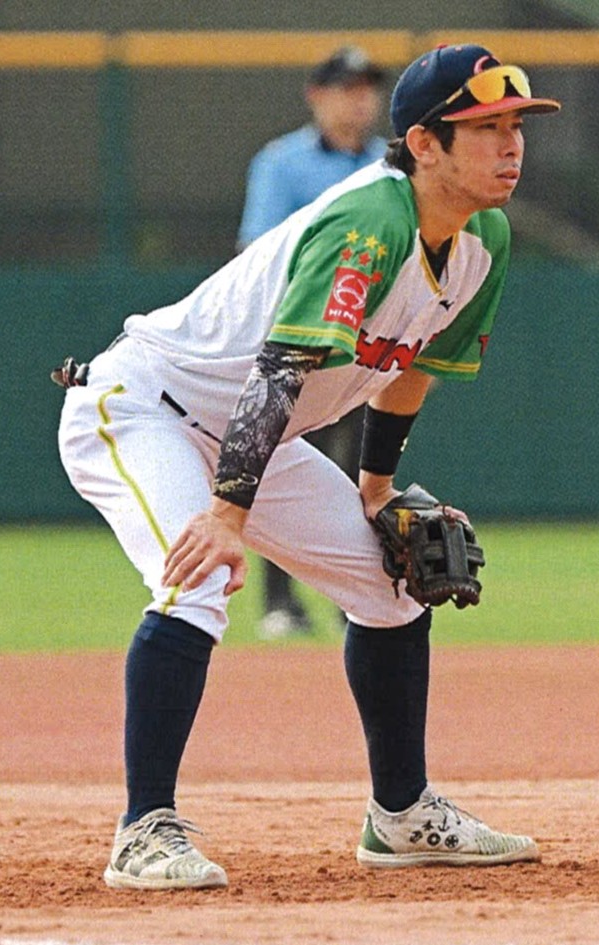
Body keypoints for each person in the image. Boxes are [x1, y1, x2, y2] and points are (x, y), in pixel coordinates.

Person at [56, 43, 560, 889]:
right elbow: (280, 369)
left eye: (516, 126)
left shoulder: (484, 241)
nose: (511, 145)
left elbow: (409, 371)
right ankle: (144, 829)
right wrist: (226, 515)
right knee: (199, 575)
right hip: (146, 408)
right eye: (485, 128)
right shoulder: (371, 222)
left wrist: (374, 493)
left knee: (394, 583)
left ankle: (401, 815)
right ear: (425, 143)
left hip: (262, 432)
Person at [236, 45, 389, 639]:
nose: (359, 98)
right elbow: (260, 252)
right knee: (285, 466)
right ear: (316, 95)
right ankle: (280, 602)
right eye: (346, 87)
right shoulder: (282, 163)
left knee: (360, 473)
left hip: (369, 347)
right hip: (299, 341)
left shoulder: (392, 166)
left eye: (367, 87)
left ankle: (357, 597)